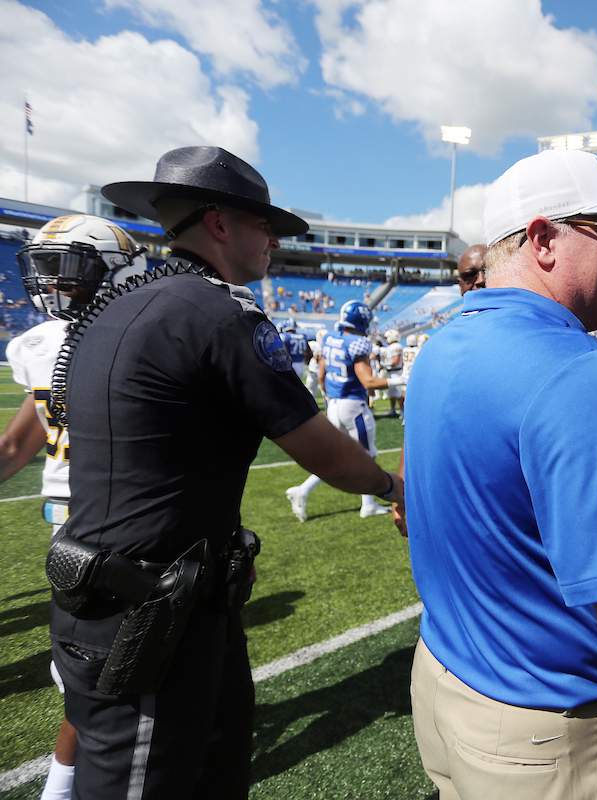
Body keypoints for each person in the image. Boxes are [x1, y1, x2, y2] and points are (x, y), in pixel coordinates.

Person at [50, 146, 403, 800]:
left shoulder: (116, 305)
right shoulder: (220, 313)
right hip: (151, 617)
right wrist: (393, 487)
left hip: (133, 595)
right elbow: (322, 450)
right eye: (262, 223)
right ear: (218, 223)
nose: (274, 238)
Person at [401, 149, 597, 800]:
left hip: (443, 677)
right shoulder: (581, 374)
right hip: (544, 728)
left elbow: (410, 512)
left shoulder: (440, 345)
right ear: (542, 240)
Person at [1, 214, 148, 800]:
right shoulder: (38, 345)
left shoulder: (134, 329)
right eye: (43, 268)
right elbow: (19, 441)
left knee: (102, 664)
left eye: (66, 269)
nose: (51, 283)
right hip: (90, 517)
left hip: (107, 514)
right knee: (102, 671)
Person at [286, 300, 393, 521]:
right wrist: (402, 381)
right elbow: (369, 381)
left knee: (340, 457)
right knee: (367, 456)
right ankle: (369, 505)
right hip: (353, 406)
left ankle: (303, 491)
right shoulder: (358, 343)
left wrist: (332, 396)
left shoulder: (330, 339)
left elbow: (322, 375)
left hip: (334, 405)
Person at [382, 329, 403, 417]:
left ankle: (403, 411)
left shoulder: (396, 346)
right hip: (390, 372)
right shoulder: (391, 346)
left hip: (396, 372)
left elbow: (396, 361)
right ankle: (392, 409)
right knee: (392, 393)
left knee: (399, 393)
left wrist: (385, 364)